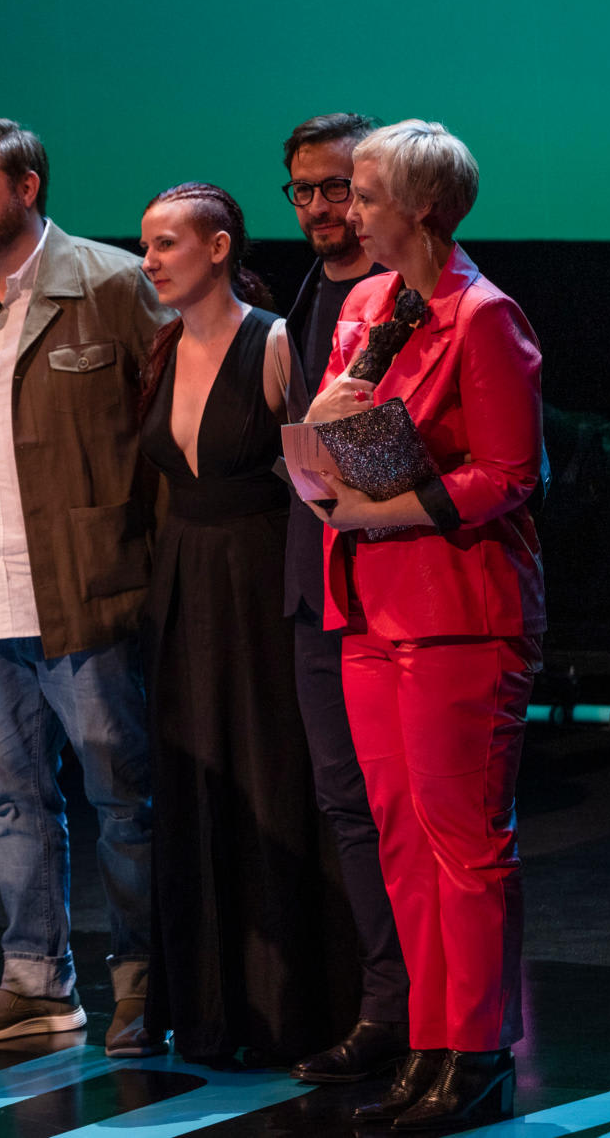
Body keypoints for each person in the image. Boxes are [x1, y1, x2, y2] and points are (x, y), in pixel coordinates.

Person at [0, 116, 172, 1054]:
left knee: (123, 797)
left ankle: (146, 982)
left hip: (85, 590)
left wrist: (158, 570)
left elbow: (168, 429)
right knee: (11, 798)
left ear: (26, 188)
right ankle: (35, 984)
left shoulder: (109, 283)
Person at [303, 121, 545, 1131]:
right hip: (369, 599)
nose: (347, 212)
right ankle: (429, 1040)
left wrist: (381, 511)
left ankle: (478, 1050)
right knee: (401, 836)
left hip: (457, 610)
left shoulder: (482, 315)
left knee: (462, 842)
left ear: (423, 208)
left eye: (364, 196)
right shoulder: (367, 305)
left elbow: (507, 473)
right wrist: (327, 426)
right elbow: (331, 440)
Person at [133, 182, 356, 1065]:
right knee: (198, 787)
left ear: (220, 247)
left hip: (259, 581)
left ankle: (295, 1010)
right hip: (182, 584)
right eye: (146, 246)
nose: (149, 261)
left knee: (271, 779)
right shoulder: (159, 347)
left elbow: (316, 476)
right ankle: (208, 1009)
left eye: (166, 244)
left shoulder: (271, 343)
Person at [275, 114, 411, 1085]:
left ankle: (440, 1013)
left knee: (412, 811)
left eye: (342, 189)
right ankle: (385, 1008)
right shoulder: (309, 295)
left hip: (399, 586)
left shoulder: (414, 302)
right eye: (306, 190)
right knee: (345, 806)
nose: (325, 208)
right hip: (316, 583)